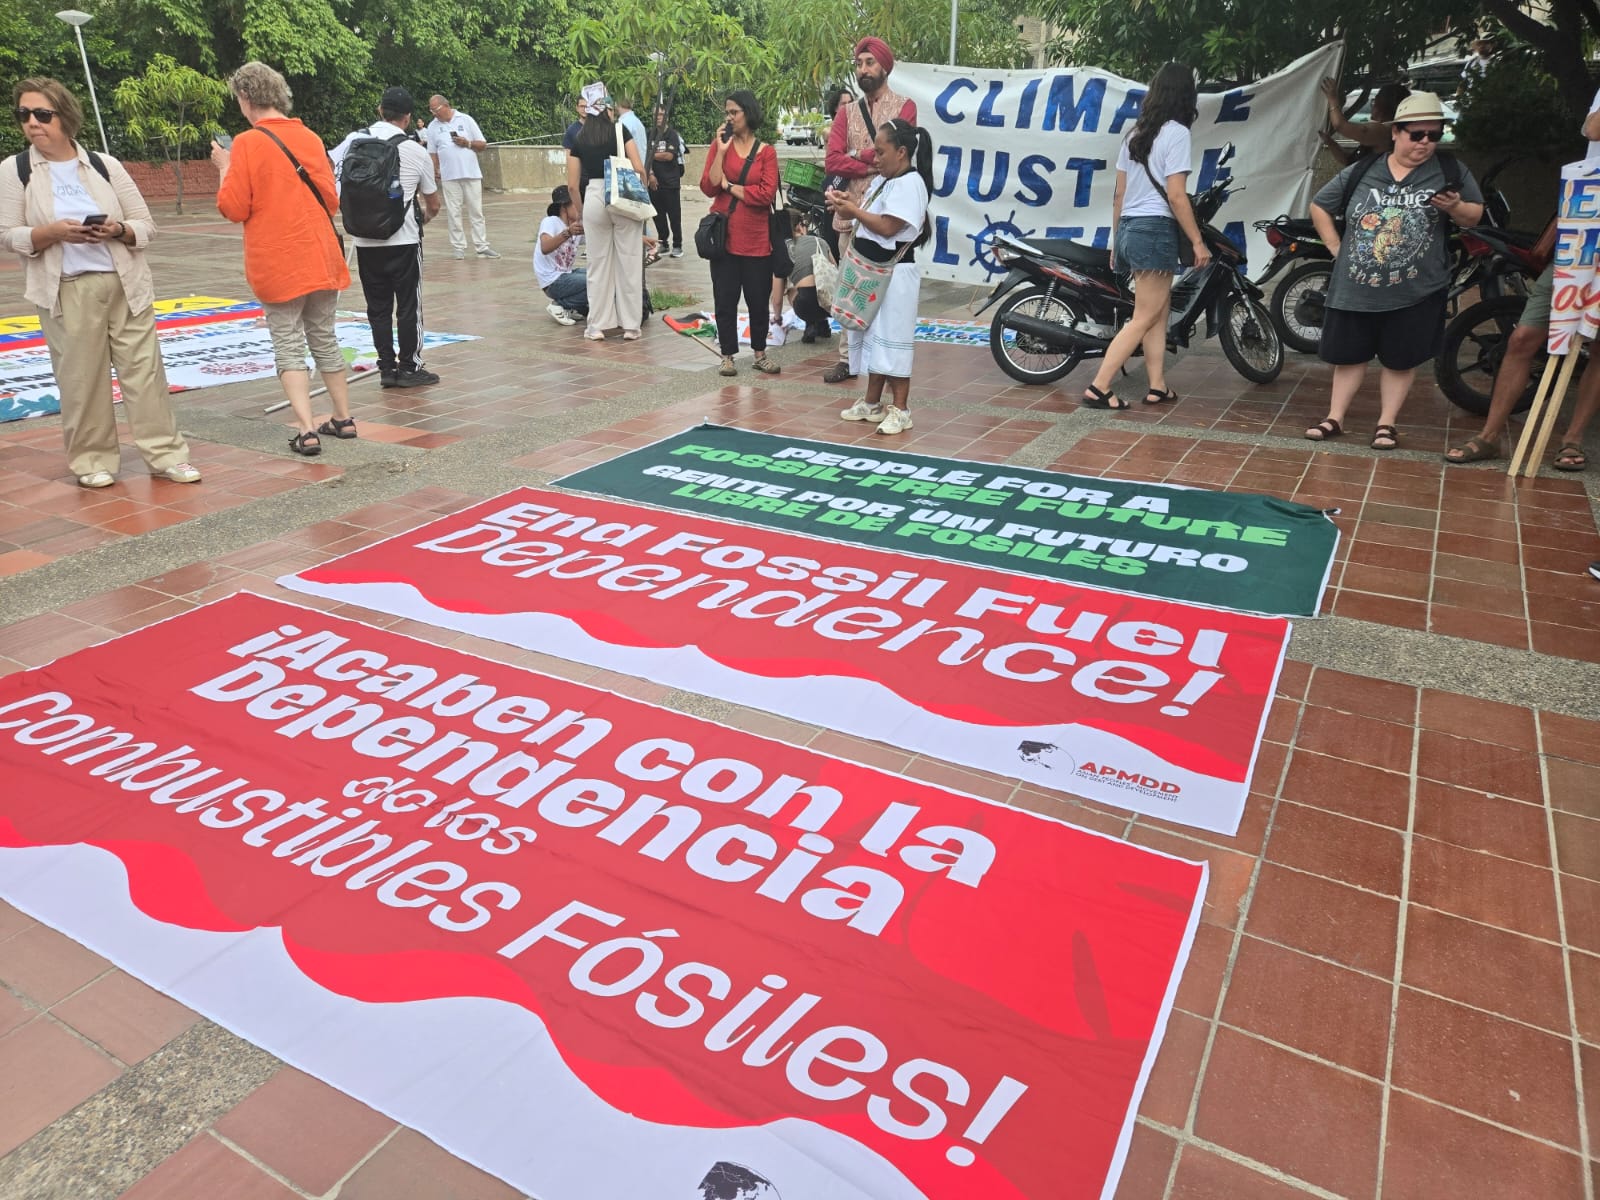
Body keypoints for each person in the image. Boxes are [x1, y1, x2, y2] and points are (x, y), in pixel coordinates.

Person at [0, 77, 198, 488]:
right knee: (81, 379)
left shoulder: (106, 165)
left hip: (125, 283)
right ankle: (92, 461)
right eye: (24, 115)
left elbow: (146, 225)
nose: (32, 123)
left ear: (65, 116)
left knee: (145, 374)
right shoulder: (15, 170)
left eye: (42, 114)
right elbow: (7, 233)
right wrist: (51, 232)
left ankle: (165, 455)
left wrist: (117, 229)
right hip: (66, 288)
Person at [1306, 91, 1483, 450]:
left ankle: (1386, 424)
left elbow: (1474, 216)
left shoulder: (1450, 171)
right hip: (1356, 286)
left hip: (1415, 289)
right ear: (1395, 133)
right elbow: (1320, 205)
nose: (1425, 143)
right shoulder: (1365, 169)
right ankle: (1334, 417)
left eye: (1434, 136)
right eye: (1417, 135)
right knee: (1348, 356)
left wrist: (1455, 207)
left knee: (1400, 359)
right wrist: (1336, 248)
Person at [1446, 88, 1600, 470]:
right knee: (1523, 337)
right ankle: (1490, 436)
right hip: (1583, 233)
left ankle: (1572, 441)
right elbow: (1593, 128)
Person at [213, 60, 354, 457]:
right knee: (324, 337)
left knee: (289, 343)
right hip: (320, 254)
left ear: (245, 98)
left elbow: (234, 207)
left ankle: (306, 429)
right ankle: (343, 417)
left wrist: (225, 169)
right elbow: (330, 197)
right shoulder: (308, 137)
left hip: (277, 260)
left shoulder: (246, 143)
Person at [1080, 62, 1211, 411]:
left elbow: (1119, 195)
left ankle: (1157, 386)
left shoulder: (1134, 135)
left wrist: (1116, 236)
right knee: (1144, 315)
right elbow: (1177, 195)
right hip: (1155, 230)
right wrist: (1198, 241)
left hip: (1130, 229)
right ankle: (1099, 386)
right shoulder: (1178, 134)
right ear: (1186, 96)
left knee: (1157, 310)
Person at [825, 118, 932, 435]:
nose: (875, 157)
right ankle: (872, 402)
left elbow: (887, 226)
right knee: (873, 337)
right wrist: (848, 205)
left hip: (895, 275)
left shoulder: (911, 183)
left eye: (881, 151)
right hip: (874, 272)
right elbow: (869, 214)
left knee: (894, 341)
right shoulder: (886, 180)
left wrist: (854, 212)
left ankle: (901, 409)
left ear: (901, 152)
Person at [821, 36, 916, 384]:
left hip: (889, 216)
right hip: (850, 216)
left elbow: (904, 154)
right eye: (859, 64)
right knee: (851, 290)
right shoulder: (847, 112)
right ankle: (848, 359)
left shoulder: (906, 107)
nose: (863, 69)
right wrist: (872, 162)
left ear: (884, 66)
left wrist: (855, 158)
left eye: (869, 63)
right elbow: (831, 160)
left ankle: (882, 361)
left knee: (886, 294)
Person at [351, 86, 441, 389]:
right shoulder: (415, 150)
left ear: (380, 110)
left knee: (377, 309)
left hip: (364, 240)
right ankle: (410, 368)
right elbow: (433, 203)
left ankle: (386, 369)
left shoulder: (353, 141)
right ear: (407, 117)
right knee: (407, 306)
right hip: (403, 240)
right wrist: (421, 219)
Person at [700, 88, 781, 377]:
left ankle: (760, 353)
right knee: (725, 299)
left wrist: (730, 187)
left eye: (735, 112)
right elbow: (708, 186)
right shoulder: (719, 145)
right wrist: (721, 154)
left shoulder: (766, 152)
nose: (730, 117)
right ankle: (727, 356)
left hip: (757, 240)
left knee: (758, 301)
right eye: (727, 112)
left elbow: (765, 195)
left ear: (749, 112)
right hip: (724, 239)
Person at [567, 83, 651, 341]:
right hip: (621, 193)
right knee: (629, 261)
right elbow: (638, 168)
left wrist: (581, 213)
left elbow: (571, 184)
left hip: (593, 194)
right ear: (607, 107)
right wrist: (640, 195)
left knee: (597, 264)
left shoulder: (579, 137)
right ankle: (631, 326)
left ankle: (597, 326)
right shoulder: (620, 130)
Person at [425, 94, 497, 259]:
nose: (434, 114)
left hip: (471, 173)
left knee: (476, 211)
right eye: (431, 111)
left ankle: (482, 246)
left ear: (446, 105)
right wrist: (434, 170)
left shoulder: (465, 119)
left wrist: (468, 143)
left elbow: (483, 144)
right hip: (449, 176)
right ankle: (458, 247)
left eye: (435, 110)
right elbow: (432, 153)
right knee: (453, 212)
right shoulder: (432, 127)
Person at [1318, 80, 1409, 168]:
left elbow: (1340, 125)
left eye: (1375, 100)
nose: (1373, 104)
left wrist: (1333, 99)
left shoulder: (1384, 131)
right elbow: (1348, 160)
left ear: (1383, 104)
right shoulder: (1389, 131)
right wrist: (1330, 142)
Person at [537, 184, 587, 325]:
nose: (580, 207)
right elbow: (545, 247)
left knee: (601, 276)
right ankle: (560, 305)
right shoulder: (551, 222)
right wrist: (568, 233)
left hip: (566, 275)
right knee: (594, 282)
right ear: (564, 207)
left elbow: (599, 237)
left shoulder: (577, 225)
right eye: (576, 204)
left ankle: (570, 307)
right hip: (552, 281)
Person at [783, 208, 834, 343]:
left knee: (791, 289)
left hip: (805, 307)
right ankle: (823, 324)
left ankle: (810, 324)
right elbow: (834, 268)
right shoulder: (819, 241)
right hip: (830, 305)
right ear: (800, 226)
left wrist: (777, 318)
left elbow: (776, 295)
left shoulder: (784, 248)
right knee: (820, 286)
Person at [646, 105, 687, 257]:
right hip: (654, 183)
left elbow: (669, 156)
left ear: (666, 116)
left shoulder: (672, 135)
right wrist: (650, 175)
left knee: (674, 216)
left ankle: (678, 245)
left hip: (671, 183)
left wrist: (651, 154)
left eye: (661, 114)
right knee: (658, 216)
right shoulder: (650, 134)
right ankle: (663, 243)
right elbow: (644, 155)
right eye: (656, 114)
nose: (658, 117)